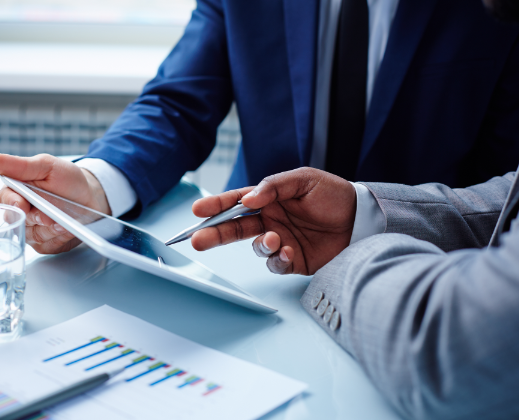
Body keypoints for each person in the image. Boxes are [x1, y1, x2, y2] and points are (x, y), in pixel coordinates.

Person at [188, 1, 519, 416]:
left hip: (398, 333)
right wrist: (363, 211)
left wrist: (356, 240)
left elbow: (451, 351)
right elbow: (508, 198)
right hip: (261, 290)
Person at [0, 0, 519, 254]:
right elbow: (178, 102)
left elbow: (503, 184)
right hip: (254, 252)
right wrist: (95, 186)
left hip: (421, 266)